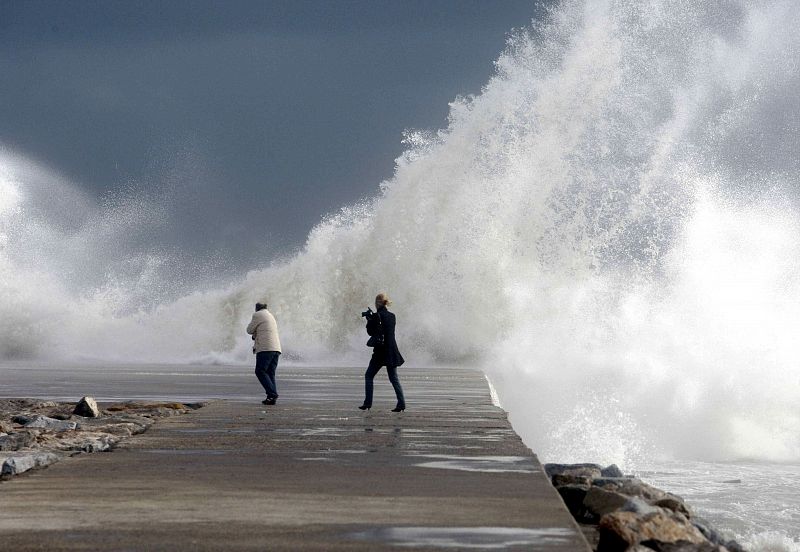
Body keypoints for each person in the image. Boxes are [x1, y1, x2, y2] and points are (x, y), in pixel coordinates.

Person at [359, 293, 406, 412]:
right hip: (391, 350)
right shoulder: (392, 316)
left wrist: (369, 320)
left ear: (377, 303)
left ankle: (367, 403)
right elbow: (387, 331)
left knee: (369, 376)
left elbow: (371, 332)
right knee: (394, 378)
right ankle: (401, 404)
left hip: (380, 352)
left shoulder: (377, 316)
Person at [247, 302, 282, 405]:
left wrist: (254, 333)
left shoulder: (258, 314)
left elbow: (249, 330)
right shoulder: (270, 316)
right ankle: (271, 397)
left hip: (265, 349)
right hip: (276, 348)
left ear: (257, 308)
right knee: (270, 373)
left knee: (260, 371)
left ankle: (272, 394)